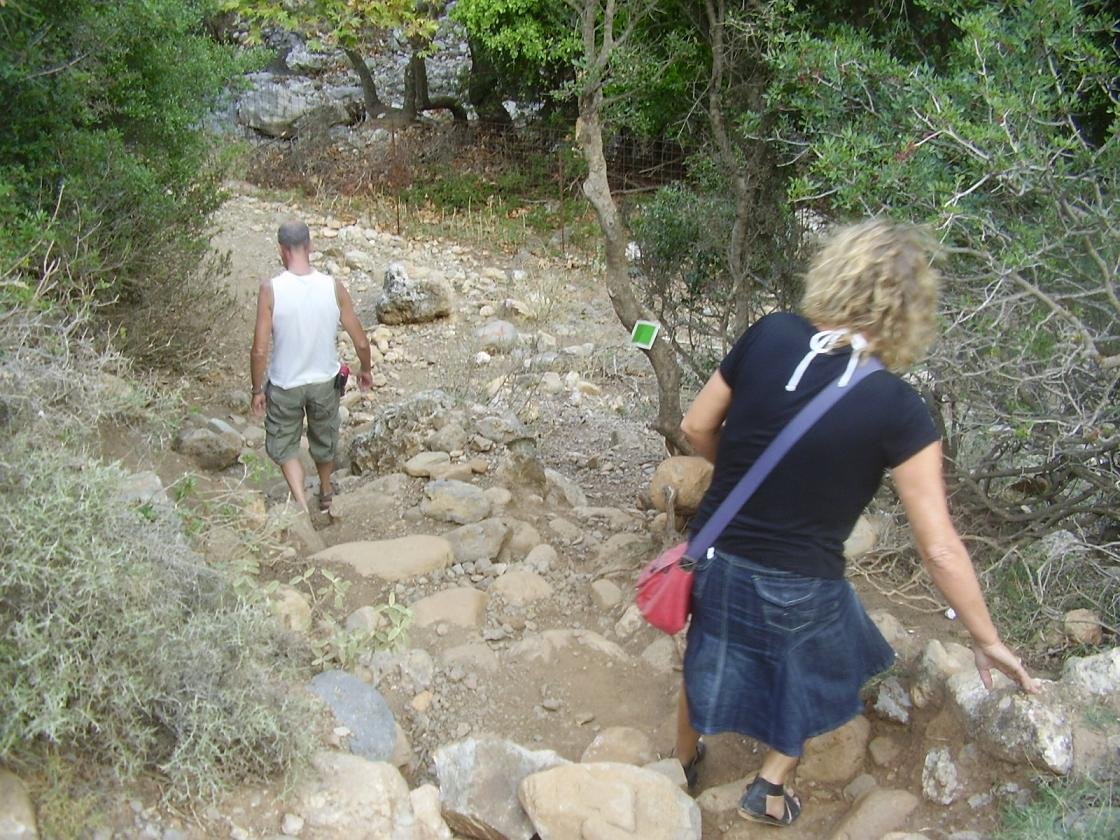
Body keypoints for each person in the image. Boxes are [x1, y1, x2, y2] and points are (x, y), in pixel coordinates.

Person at [672, 219, 1038, 827]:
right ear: (910, 310)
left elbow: (695, 426)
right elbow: (940, 547)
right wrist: (986, 638)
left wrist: (739, 474)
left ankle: (683, 762)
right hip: (801, 583)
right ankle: (770, 783)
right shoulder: (899, 408)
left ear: (835, 272)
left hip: (714, 554)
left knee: (707, 649)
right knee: (821, 655)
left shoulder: (769, 333)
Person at [250, 219, 373, 512]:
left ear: (281, 250)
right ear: (310, 246)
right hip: (324, 381)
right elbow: (361, 341)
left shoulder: (271, 289)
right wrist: (365, 369)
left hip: (285, 383)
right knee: (324, 438)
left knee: (284, 446)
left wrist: (257, 390)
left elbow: (259, 349)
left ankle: (302, 505)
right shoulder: (333, 286)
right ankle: (326, 491)